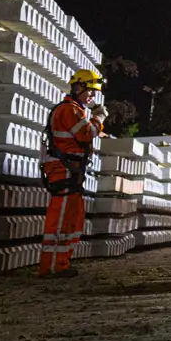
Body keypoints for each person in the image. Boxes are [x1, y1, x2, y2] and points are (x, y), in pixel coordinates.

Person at [39, 70, 107, 277]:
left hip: (72, 171)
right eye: (91, 91)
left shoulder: (76, 110)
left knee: (72, 219)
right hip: (64, 170)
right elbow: (85, 134)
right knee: (60, 219)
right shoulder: (69, 109)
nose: (92, 97)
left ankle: (61, 264)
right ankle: (51, 267)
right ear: (78, 87)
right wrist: (99, 118)